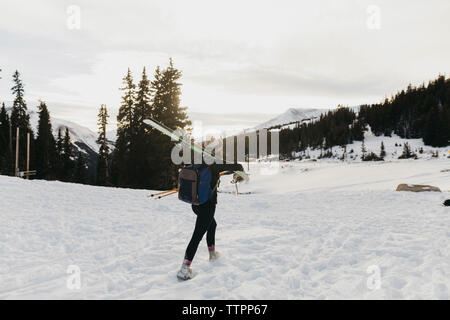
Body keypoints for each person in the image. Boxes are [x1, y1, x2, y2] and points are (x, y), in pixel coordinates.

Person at [177, 162, 245, 280]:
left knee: (212, 225)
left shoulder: (198, 164)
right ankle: (184, 268)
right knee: (197, 236)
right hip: (207, 206)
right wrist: (241, 173)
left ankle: (212, 254)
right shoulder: (215, 166)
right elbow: (237, 166)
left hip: (196, 204)